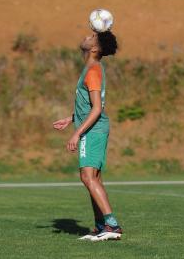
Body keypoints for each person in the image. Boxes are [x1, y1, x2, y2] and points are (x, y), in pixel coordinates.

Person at [52, 30, 122, 241]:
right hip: (94, 128)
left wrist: (77, 133)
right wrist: (72, 117)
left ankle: (112, 226)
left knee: (87, 177)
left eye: (92, 37)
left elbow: (97, 109)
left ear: (94, 48)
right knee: (94, 179)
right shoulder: (91, 69)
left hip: (93, 130)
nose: (86, 36)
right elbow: (89, 106)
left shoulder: (93, 70)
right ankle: (102, 226)